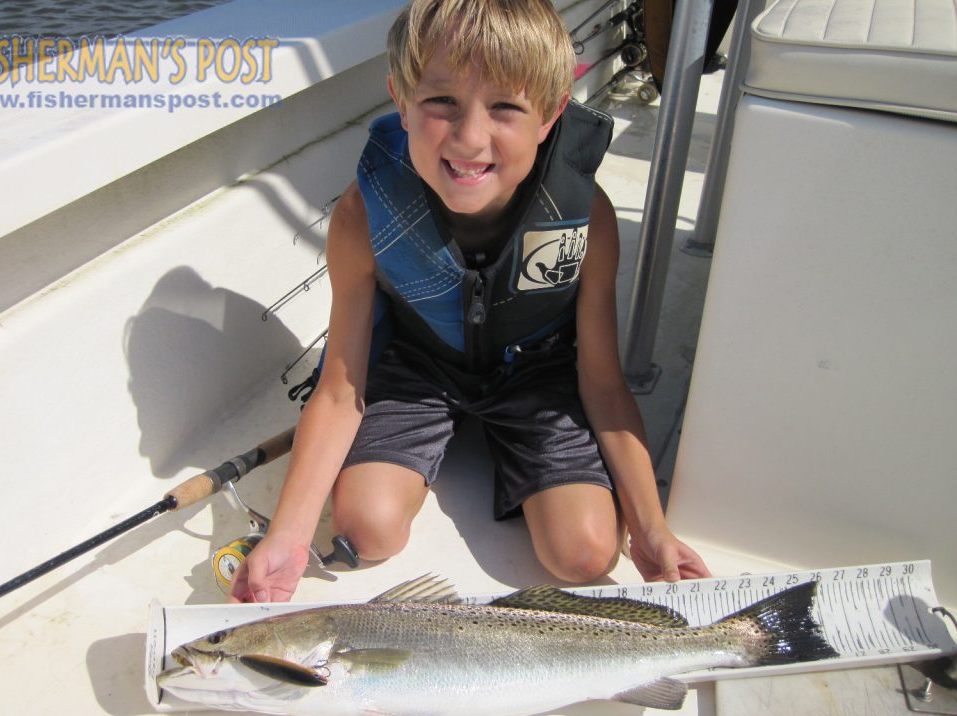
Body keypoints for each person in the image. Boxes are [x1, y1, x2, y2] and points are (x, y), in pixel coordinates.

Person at [230, 0, 709, 604]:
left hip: (538, 372)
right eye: (441, 103)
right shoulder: (360, 216)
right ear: (401, 101)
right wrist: (288, 539)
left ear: (552, 115)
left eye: (506, 106)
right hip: (420, 367)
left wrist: (651, 528)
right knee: (366, 530)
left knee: (584, 554)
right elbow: (338, 387)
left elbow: (605, 385)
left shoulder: (587, 218)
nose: (470, 137)